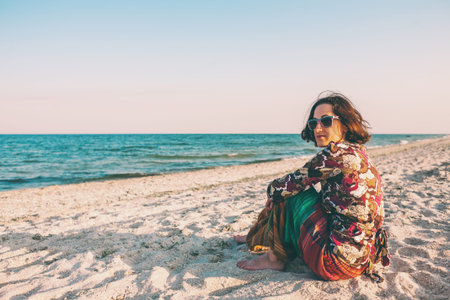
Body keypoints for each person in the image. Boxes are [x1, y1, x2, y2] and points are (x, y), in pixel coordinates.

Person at [234, 93, 390, 282]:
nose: (318, 128)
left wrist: (275, 195)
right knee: (296, 191)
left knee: (289, 192)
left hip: (335, 263)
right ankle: (260, 235)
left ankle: (272, 257)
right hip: (364, 258)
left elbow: (280, 187)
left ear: (345, 123)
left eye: (326, 121)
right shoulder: (358, 152)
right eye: (313, 123)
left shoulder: (334, 155)